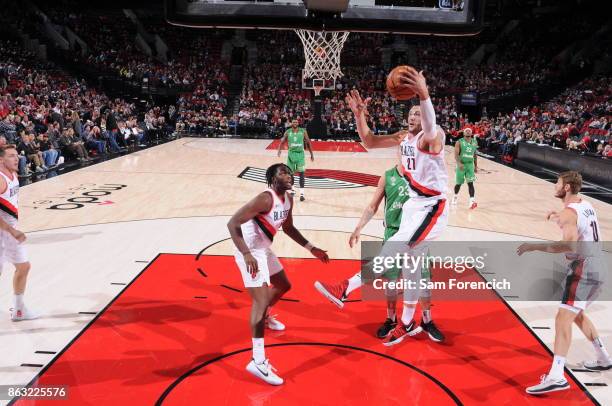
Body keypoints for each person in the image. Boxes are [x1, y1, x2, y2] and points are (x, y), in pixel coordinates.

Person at [314, 68, 448, 346]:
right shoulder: (404, 138)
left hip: (433, 207)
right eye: (410, 114)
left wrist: (424, 94)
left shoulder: (434, 137)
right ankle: (408, 324)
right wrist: (359, 114)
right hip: (413, 206)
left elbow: (432, 126)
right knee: (411, 268)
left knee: (393, 250)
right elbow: (369, 141)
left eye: (418, 114)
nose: (414, 117)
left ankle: (345, 289)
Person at [317, 164, 445, 342]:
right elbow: (372, 207)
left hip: (417, 233)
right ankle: (391, 319)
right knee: (391, 282)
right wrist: (358, 228)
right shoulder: (388, 176)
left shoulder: (421, 175)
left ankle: (426, 320)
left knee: (422, 281)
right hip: (393, 232)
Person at [227, 163, 329, 385]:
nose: (289, 175)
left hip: (262, 249)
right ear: (272, 179)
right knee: (260, 301)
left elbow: (289, 228)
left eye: (289, 172)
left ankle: (264, 318)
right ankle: (258, 361)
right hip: (249, 251)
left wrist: (312, 248)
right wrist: (246, 254)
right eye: (282, 172)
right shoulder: (265, 198)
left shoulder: (289, 199)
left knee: (283, 285)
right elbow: (232, 223)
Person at [518, 171, 610, 395]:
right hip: (598, 265)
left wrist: (534, 246)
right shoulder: (584, 204)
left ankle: (557, 376)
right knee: (575, 313)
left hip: (584, 267)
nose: (555, 185)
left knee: (562, 318)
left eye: (557, 182)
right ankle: (603, 357)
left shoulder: (570, 213)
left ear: (567, 187)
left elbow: (568, 245)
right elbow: (577, 223)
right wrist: (559, 216)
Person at [0, 145, 38, 321]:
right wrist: (11, 229)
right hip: (5, 231)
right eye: (11, 156)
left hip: (9, 232)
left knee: (23, 266)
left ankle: (19, 310)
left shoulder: (13, 175)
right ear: (1, 160)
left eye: (17, 155)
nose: (17, 159)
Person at [277, 119, 314, 201]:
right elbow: (282, 141)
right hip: (291, 154)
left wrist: (311, 154)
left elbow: (308, 142)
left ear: (298, 123)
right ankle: (293, 189)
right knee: (290, 174)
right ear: (291, 123)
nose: (295, 123)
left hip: (300, 154)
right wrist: (279, 150)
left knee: (301, 174)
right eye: (293, 122)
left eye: (296, 122)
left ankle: (302, 194)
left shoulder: (303, 131)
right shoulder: (288, 132)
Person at [451, 127, 478, 209]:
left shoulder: (474, 142)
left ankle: (472, 201)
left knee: (470, 183)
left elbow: (475, 154)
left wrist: (475, 166)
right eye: (466, 130)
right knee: (458, 184)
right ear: (464, 133)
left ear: (471, 133)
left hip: (470, 165)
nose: (468, 131)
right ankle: (455, 196)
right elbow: (456, 155)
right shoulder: (459, 142)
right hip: (461, 164)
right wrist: (459, 163)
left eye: (469, 131)